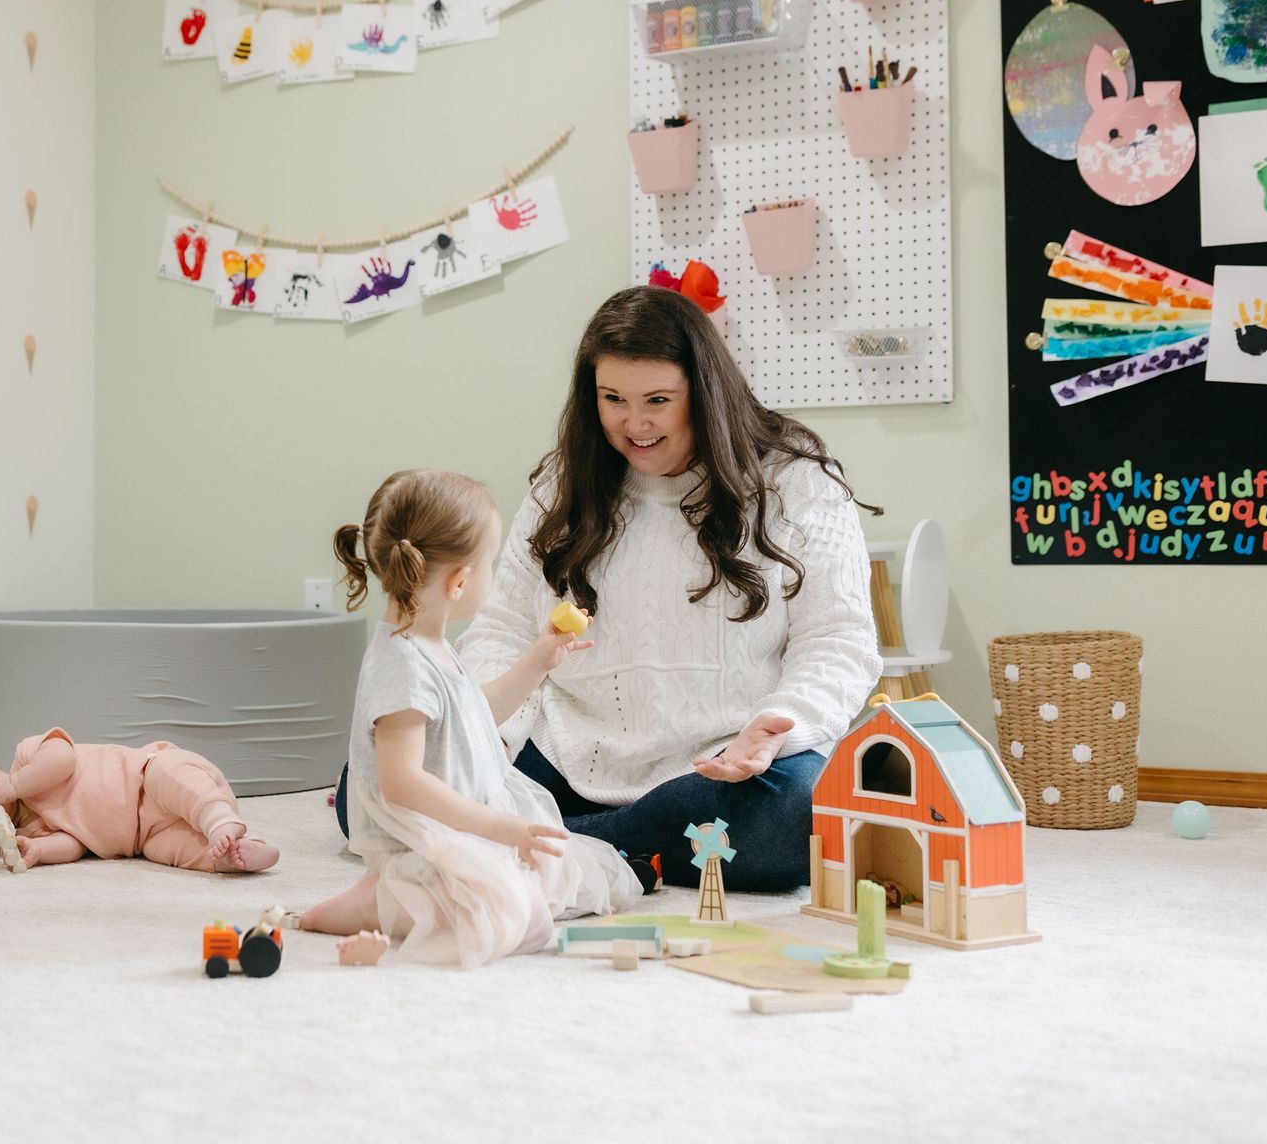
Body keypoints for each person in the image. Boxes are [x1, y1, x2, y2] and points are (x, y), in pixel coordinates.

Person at [334, 287, 882, 890]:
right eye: (613, 400)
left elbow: (838, 640)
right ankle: (595, 846)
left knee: (792, 817)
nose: (635, 424)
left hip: (718, 762)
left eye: (658, 401)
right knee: (365, 786)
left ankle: (546, 843)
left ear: (705, 394)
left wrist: (780, 722)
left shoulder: (796, 482)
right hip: (567, 748)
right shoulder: (563, 484)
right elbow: (502, 625)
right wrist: (485, 737)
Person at [299, 468, 639, 966]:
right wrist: (499, 828)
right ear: (460, 581)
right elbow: (402, 784)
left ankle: (411, 892)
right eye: (491, 563)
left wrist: (537, 663)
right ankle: (379, 898)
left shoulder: (431, 645)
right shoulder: (401, 665)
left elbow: (476, 718)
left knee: (569, 872)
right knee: (508, 916)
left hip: (468, 823)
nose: (493, 573)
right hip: (425, 839)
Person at [0, 728, 278, 873]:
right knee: (176, 852)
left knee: (170, 776)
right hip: (143, 837)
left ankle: (218, 818)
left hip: (148, 777)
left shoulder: (26, 758)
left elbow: (63, 760)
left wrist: (15, 785)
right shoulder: (30, 830)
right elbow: (77, 844)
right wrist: (39, 851)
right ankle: (237, 854)